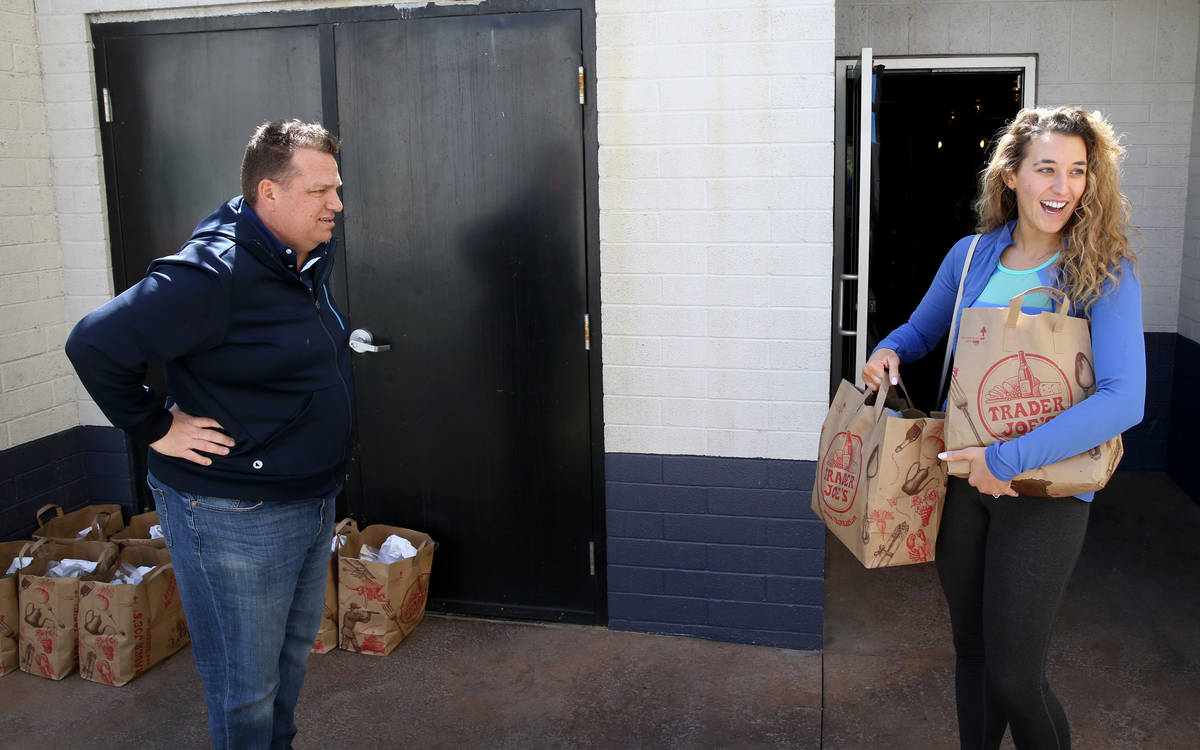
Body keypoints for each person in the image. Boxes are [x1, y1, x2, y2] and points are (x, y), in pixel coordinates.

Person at [861, 106, 1145, 749]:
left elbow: (1125, 399)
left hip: (1046, 496)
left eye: (1077, 172)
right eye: (1046, 169)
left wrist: (1008, 459)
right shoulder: (972, 258)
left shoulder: (1105, 270)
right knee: (974, 656)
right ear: (1012, 175)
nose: (1062, 187)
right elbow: (923, 331)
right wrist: (889, 348)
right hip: (965, 483)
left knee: (1017, 676)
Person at [66, 119, 353, 750]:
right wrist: (154, 426)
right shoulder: (211, 273)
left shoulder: (299, 255)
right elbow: (93, 343)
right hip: (233, 513)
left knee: (287, 666)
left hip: (307, 499)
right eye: (321, 191)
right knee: (244, 688)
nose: (337, 203)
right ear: (268, 195)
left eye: (338, 187)